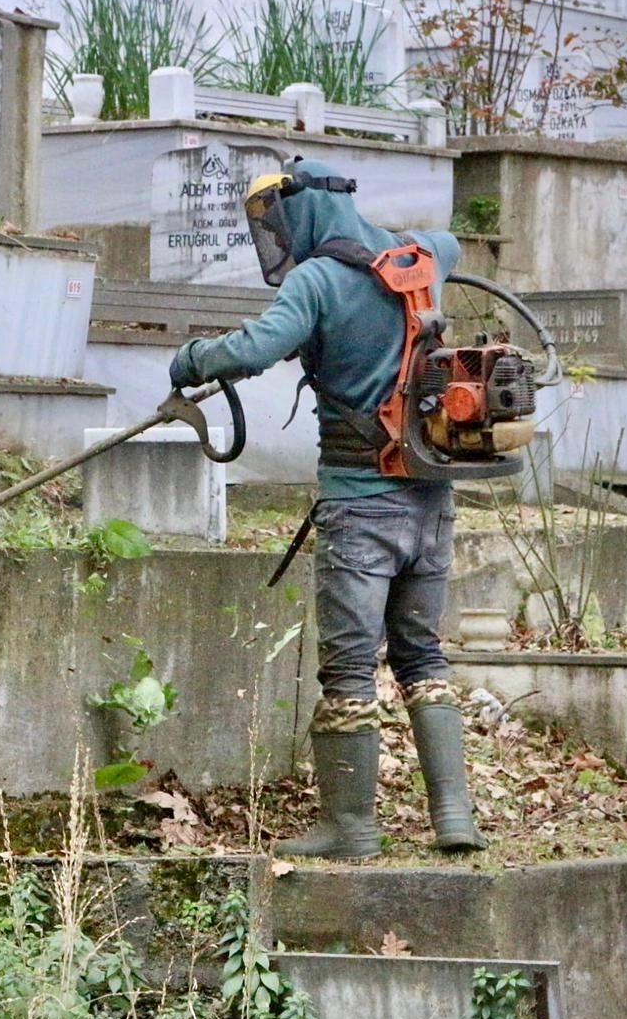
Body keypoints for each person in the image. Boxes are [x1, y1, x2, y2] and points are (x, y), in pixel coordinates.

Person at [167, 156, 487, 860]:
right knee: (421, 654)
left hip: (359, 505)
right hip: (431, 501)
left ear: (301, 210)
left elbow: (255, 348)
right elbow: (453, 244)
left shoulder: (315, 280)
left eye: (275, 220)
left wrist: (191, 361)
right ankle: (453, 818)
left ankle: (352, 828)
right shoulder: (419, 255)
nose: (275, 236)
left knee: (348, 668)